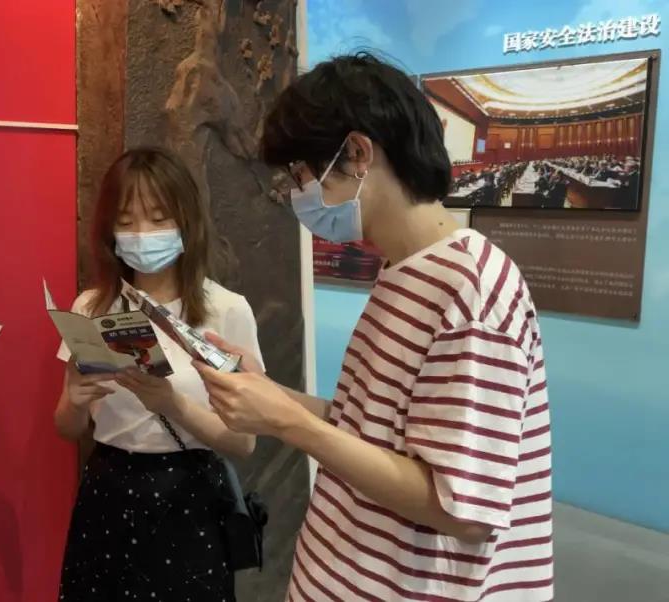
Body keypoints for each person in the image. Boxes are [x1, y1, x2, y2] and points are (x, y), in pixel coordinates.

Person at [194, 52, 553, 601]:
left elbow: (461, 508)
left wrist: (288, 422)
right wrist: (271, 395)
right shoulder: (403, 269)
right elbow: (371, 429)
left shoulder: (473, 291)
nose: (297, 192)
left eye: (302, 173)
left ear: (359, 153)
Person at [54, 147, 264, 602]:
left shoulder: (227, 310)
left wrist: (173, 404)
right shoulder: (91, 307)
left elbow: (244, 443)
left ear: (187, 220)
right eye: (126, 221)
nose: (141, 235)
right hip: (108, 491)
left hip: (190, 498)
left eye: (157, 218)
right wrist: (74, 398)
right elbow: (68, 427)